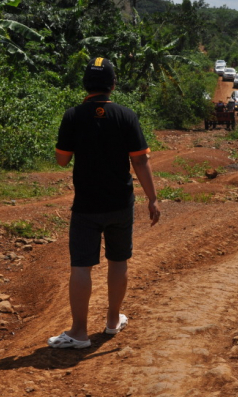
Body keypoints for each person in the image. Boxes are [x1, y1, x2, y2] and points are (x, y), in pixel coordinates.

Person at [49, 56, 160, 349]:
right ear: (113, 85)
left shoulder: (73, 116)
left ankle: (79, 332)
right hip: (120, 203)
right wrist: (152, 198)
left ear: (85, 84)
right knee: (118, 260)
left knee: (81, 266)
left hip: (86, 205)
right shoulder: (127, 116)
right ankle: (112, 322)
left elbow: (62, 159)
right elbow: (140, 161)